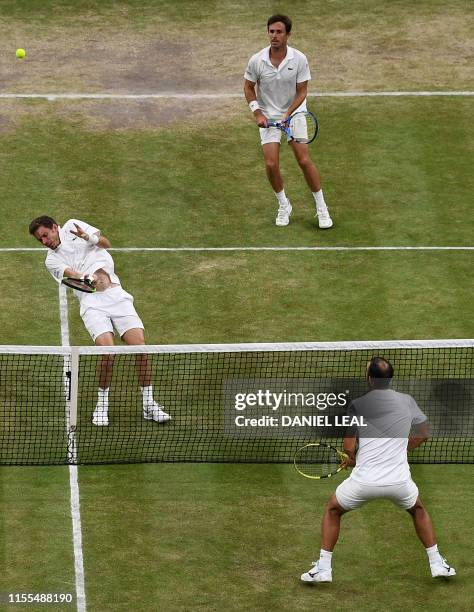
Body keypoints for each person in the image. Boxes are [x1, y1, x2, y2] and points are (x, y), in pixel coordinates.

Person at [301, 357, 456, 583]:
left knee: (333, 509)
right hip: (399, 483)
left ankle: (323, 568)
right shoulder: (407, 401)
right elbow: (423, 433)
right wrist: (402, 448)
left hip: (363, 484)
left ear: (370, 380)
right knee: (418, 509)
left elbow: (349, 448)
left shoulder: (359, 404)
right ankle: (437, 564)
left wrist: (352, 458)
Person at [29, 215, 170, 427]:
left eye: (45, 236)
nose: (45, 242)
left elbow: (106, 243)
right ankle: (102, 404)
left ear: (55, 228)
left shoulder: (72, 227)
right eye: (40, 240)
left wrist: (87, 237)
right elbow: (71, 275)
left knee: (140, 348)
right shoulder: (51, 260)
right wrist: (87, 279)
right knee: (108, 353)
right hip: (92, 303)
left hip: (117, 296)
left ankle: (149, 404)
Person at [244, 14, 333, 228]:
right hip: (268, 114)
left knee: (303, 160)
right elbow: (248, 87)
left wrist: (288, 115)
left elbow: (302, 92)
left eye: (279, 32)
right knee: (271, 163)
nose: (274, 36)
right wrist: (258, 113)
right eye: (271, 31)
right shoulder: (257, 60)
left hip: (294, 113)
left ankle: (322, 208)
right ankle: (284, 205)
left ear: (288, 35)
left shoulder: (299, 59)